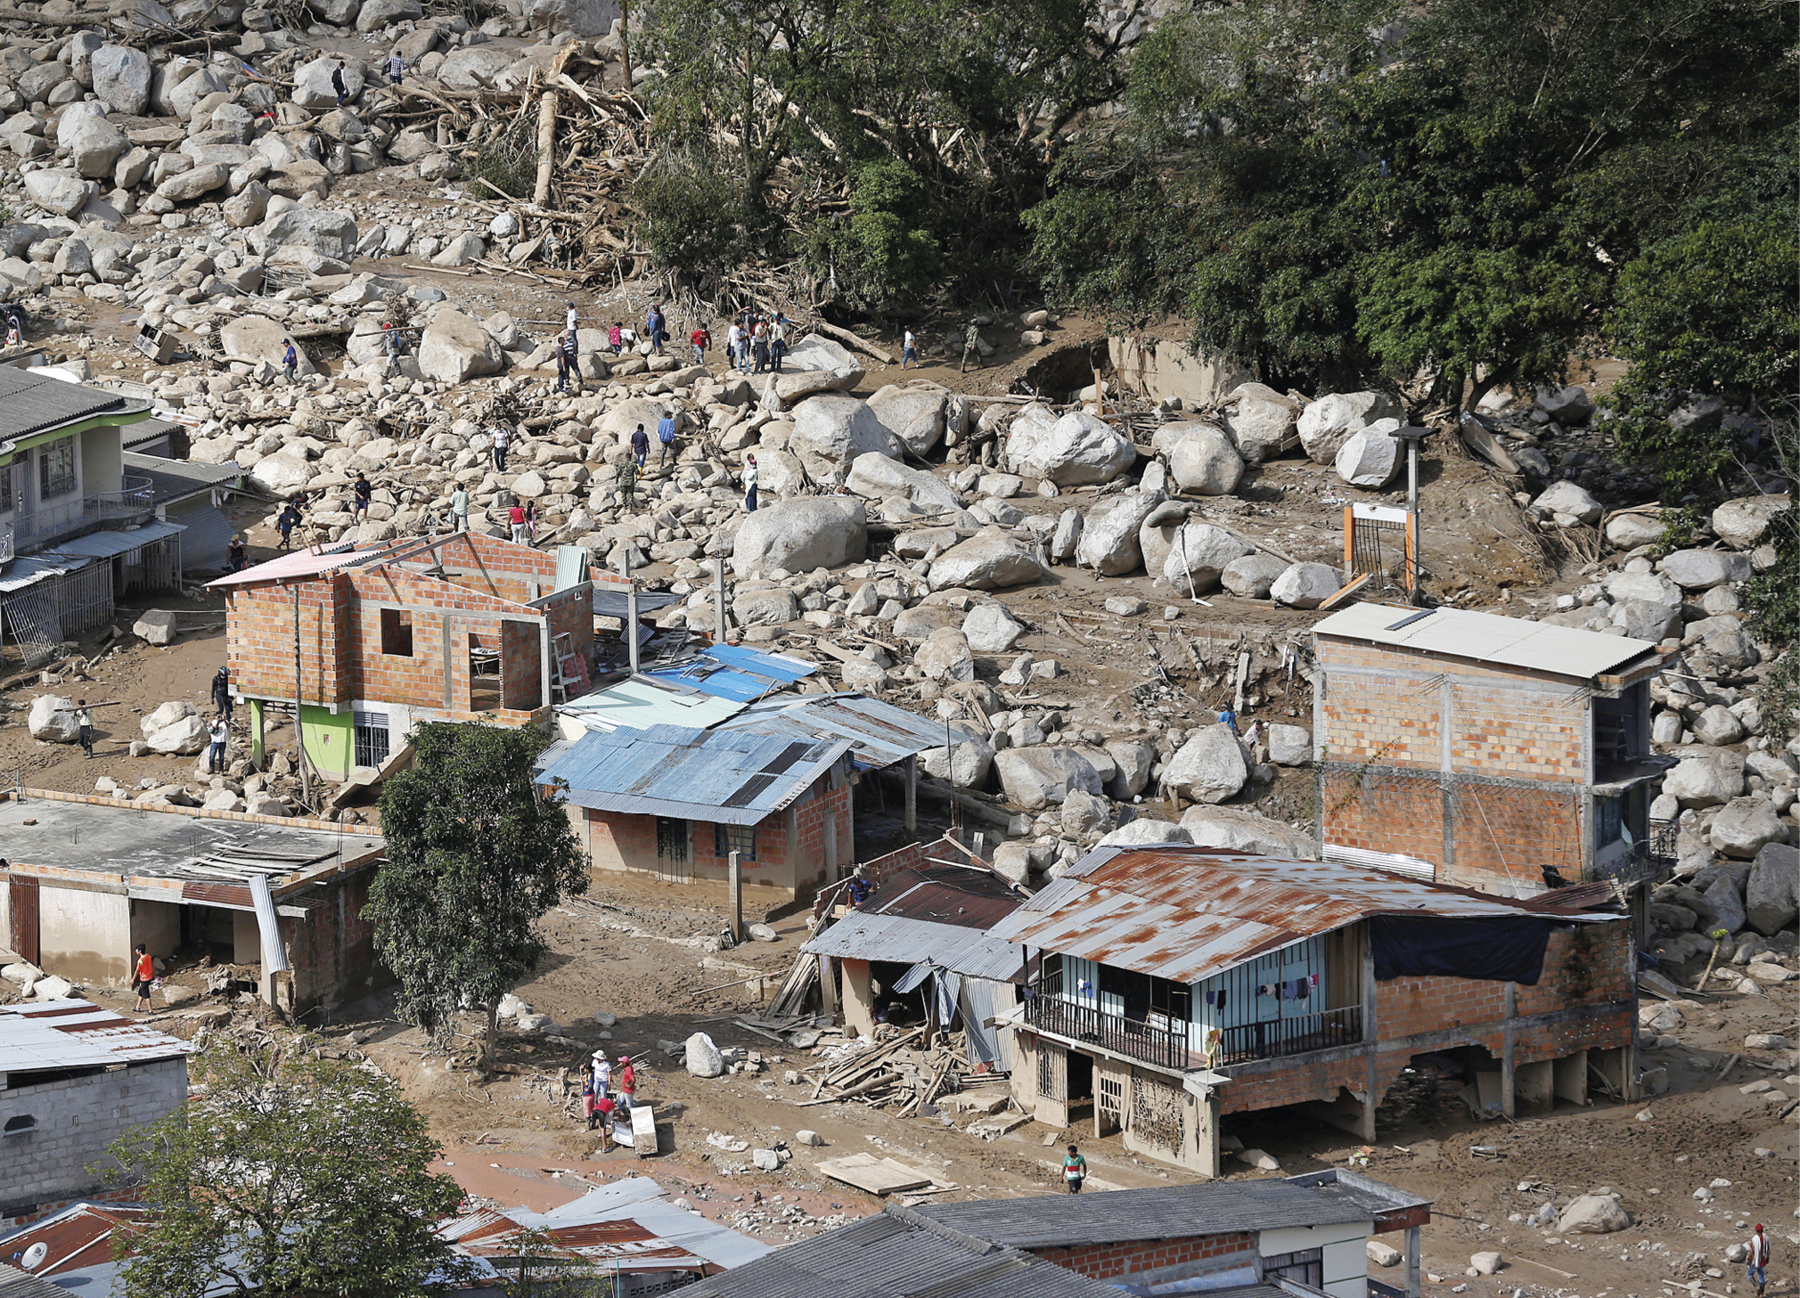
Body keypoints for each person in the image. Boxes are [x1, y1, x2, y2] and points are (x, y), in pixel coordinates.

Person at [132, 943, 155, 1013]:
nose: (136, 951)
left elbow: (137, 970)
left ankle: (151, 1010)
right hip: (149, 976)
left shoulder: (140, 961)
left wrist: (133, 979)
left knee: (146, 994)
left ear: (139, 951)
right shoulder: (148, 956)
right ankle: (138, 1007)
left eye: (137, 950)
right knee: (141, 992)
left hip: (144, 978)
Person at [1749, 1225, 1771, 1297]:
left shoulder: (1754, 1239)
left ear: (1756, 1230)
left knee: (1750, 1274)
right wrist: (1767, 1258)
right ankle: (1761, 1294)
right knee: (1761, 1276)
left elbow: (1752, 1251)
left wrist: (1749, 1259)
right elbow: (1768, 1250)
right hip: (1763, 1261)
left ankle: (1756, 1286)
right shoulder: (1766, 1238)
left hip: (1755, 1261)